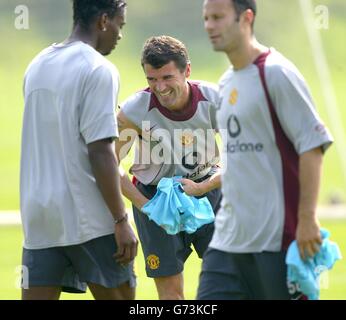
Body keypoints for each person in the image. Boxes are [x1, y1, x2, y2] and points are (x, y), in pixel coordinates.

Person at [198, 0, 334, 300]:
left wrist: (308, 218)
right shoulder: (226, 82)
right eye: (206, 18)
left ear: (246, 18)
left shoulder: (275, 72)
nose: (209, 25)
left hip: (276, 241)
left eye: (218, 17)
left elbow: (312, 146)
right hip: (227, 240)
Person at [20, 0, 138, 300]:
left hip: (39, 217)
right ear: (102, 21)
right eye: (119, 25)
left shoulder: (36, 64)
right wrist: (121, 219)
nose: (119, 35)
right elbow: (100, 151)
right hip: (88, 217)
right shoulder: (98, 69)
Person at [115, 35, 222, 300]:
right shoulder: (134, 110)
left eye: (167, 77)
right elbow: (108, 164)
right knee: (171, 295)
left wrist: (204, 187)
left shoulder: (214, 100)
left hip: (207, 190)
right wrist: (146, 205)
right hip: (154, 199)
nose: (159, 88)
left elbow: (241, 156)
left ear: (187, 70)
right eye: (152, 80)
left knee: (229, 280)